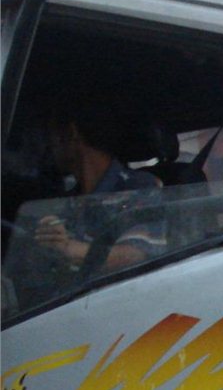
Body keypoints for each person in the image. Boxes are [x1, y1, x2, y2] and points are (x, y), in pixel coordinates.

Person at [32, 114, 164, 272]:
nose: (48, 148)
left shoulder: (139, 187)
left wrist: (67, 247)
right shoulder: (69, 201)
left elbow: (134, 255)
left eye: (50, 137)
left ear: (71, 133)